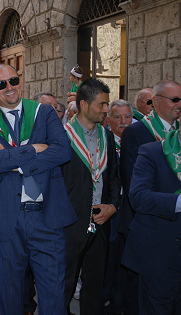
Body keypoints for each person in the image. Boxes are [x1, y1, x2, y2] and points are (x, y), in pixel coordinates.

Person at [0, 64, 75, 315]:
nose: (9, 87)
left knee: (53, 294)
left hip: (47, 216)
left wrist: (17, 164)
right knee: (8, 296)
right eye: (1, 84)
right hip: (5, 218)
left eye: (13, 80)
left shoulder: (43, 112)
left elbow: (63, 151)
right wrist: (36, 149)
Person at [118, 80, 181, 314]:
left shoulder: (173, 132)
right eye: (174, 99)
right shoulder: (139, 134)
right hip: (154, 235)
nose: (179, 105)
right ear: (155, 102)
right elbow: (134, 186)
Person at [61, 78, 120, 315]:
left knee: (94, 287)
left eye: (107, 104)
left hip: (100, 222)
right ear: (83, 105)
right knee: (64, 285)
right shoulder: (62, 136)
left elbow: (115, 177)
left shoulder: (107, 137)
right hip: (70, 226)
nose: (107, 109)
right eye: (101, 104)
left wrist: (113, 205)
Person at [100, 100, 132, 315]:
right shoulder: (104, 140)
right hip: (110, 210)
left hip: (131, 210)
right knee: (107, 261)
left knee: (127, 260)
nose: (123, 122)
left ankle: (121, 303)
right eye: (118, 117)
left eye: (128, 117)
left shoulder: (138, 141)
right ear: (108, 119)